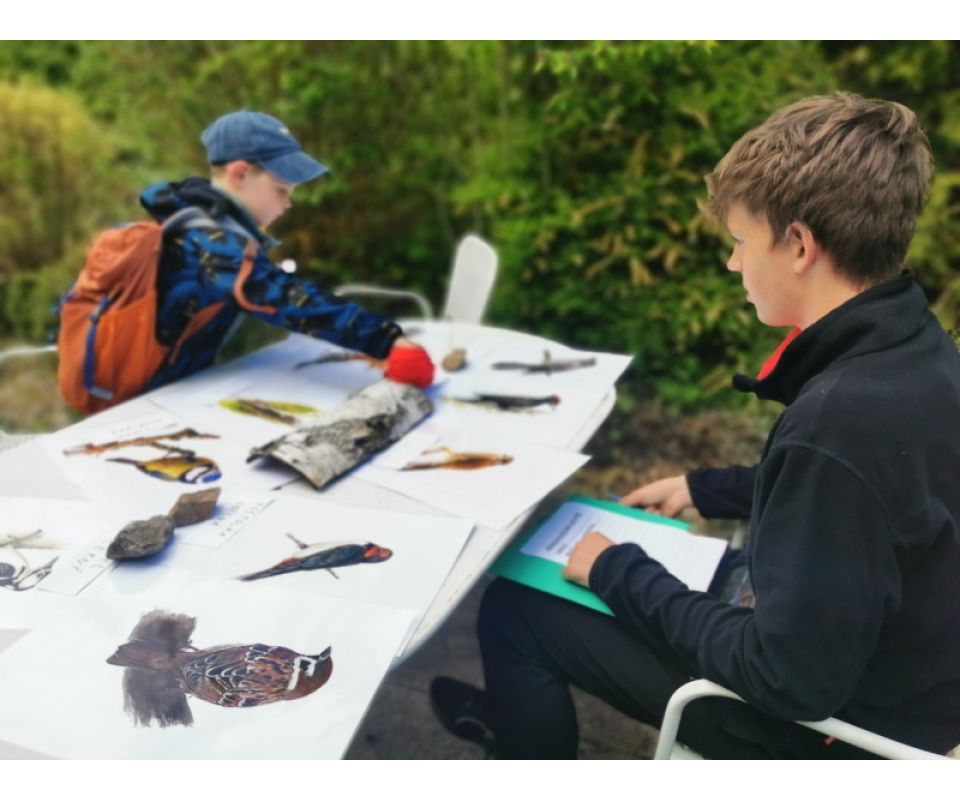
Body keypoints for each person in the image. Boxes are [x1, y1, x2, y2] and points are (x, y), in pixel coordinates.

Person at [430, 93, 960, 758]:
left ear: (799, 245)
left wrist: (619, 571)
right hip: (889, 666)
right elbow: (866, 503)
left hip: (835, 733)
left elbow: (784, 677)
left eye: (740, 242)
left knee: (516, 612)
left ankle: (522, 738)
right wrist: (701, 488)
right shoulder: (919, 351)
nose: (734, 263)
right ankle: (517, 716)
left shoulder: (837, 423)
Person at [138, 109, 433, 391]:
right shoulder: (211, 243)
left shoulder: (200, 220)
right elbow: (287, 297)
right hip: (144, 393)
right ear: (240, 175)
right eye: (281, 190)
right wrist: (385, 340)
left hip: (181, 381)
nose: (288, 204)